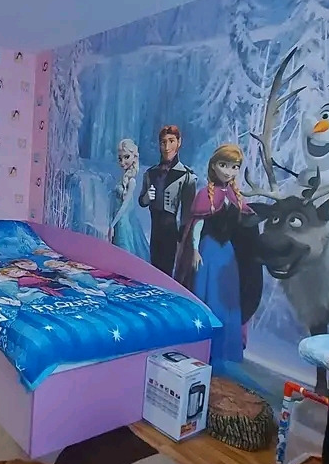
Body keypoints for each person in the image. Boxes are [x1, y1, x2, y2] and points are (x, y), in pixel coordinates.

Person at [173, 143, 263, 362]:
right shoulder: (205, 195)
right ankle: (202, 348)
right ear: (214, 166)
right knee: (206, 295)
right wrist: (195, 250)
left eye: (234, 167)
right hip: (208, 251)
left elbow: (245, 224)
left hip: (227, 255)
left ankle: (225, 350)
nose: (229, 171)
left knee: (226, 298)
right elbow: (197, 226)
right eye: (224, 165)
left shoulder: (236, 197)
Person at [138, 125, 197, 276]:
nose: (167, 147)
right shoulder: (151, 173)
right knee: (154, 265)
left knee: (167, 269)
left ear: (179, 142)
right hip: (155, 227)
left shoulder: (186, 176)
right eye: (163, 142)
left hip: (172, 229)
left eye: (171, 141)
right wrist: (147, 197)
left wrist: (183, 237)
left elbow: (187, 211)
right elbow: (142, 201)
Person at [108, 139, 150, 260]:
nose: (122, 162)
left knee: (123, 252)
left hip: (122, 223)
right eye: (120, 158)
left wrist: (112, 224)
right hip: (118, 221)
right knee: (117, 254)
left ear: (134, 157)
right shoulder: (122, 179)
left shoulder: (132, 181)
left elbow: (125, 205)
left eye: (126, 157)